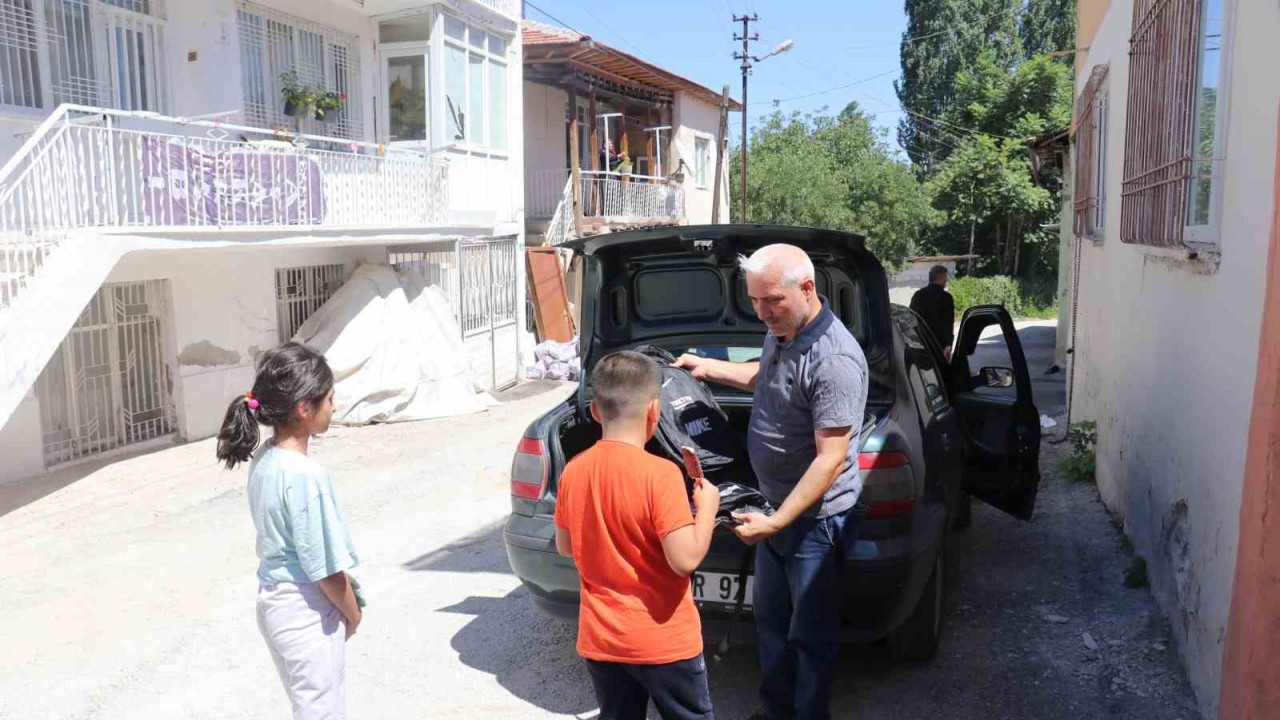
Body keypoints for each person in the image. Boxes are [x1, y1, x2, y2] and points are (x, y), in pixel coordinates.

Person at [674, 244, 868, 720]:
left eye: (772, 301)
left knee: (810, 637)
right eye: (755, 300)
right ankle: (776, 710)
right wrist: (710, 367)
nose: (762, 313)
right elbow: (770, 377)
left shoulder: (835, 360)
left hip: (814, 525)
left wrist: (776, 521)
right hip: (775, 510)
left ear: (807, 288)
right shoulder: (784, 332)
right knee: (773, 626)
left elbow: (830, 459)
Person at [554, 351, 722, 720]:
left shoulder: (574, 471)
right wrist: (708, 508)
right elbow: (685, 560)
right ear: (654, 411)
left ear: (596, 411)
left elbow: (566, 546)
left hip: (602, 640)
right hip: (664, 642)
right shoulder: (660, 474)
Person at [216, 342, 363, 720]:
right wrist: (353, 613)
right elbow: (324, 568)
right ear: (304, 408)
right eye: (329, 398)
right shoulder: (306, 476)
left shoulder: (266, 457)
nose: (334, 406)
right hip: (306, 609)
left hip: (274, 604)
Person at [910, 264, 955, 360]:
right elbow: (948, 322)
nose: (947, 280)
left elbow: (912, 318)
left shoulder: (918, 295)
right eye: (946, 277)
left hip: (921, 343)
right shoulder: (946, 297)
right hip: (940, 344)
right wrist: (949, 344)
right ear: (942, 277)